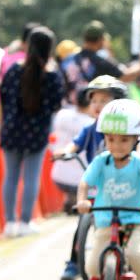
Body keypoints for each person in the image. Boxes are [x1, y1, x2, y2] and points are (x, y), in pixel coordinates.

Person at [76, 99, 140, 280]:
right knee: (91, 265)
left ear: (136, 139)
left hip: (135, 217)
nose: (116, 145)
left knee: (135, 253)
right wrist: (81, 200)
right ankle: (100, 276)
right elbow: (84, 183)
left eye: (124, 140)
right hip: (107, 218)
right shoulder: (101, 161)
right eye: (111, 139)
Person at [56, 76, 129, 280]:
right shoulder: (90, 129)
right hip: (95, 186)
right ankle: (73, 262)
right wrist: (65, 151)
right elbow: (75, 144)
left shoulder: (125, 128)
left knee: (123, 222)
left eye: (104, 101)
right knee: (83, 220)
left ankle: (122, 256)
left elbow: (139, 143)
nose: (98, 105)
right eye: (94, 100)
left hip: (122, 186)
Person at [0, 26, 65, 237]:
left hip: (11, 131)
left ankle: (9, 222)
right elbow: (56, 104)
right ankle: (25, 222)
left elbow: (4, 99)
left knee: (10, 176)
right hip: (37, 134)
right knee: (31, 178)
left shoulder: (13, 71)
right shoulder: (52, 76)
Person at [61, 20, 140, 100]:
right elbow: (127, 76)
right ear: (101, 40)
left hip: (66, 110)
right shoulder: (100, 61)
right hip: (89, 110)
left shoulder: (68, 60)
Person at [50, 86, 93, 214]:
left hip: (57, 176)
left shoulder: (62, 115)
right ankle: (75, 200)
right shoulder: (91, 124)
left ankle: (70, 198)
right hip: (82, 181)